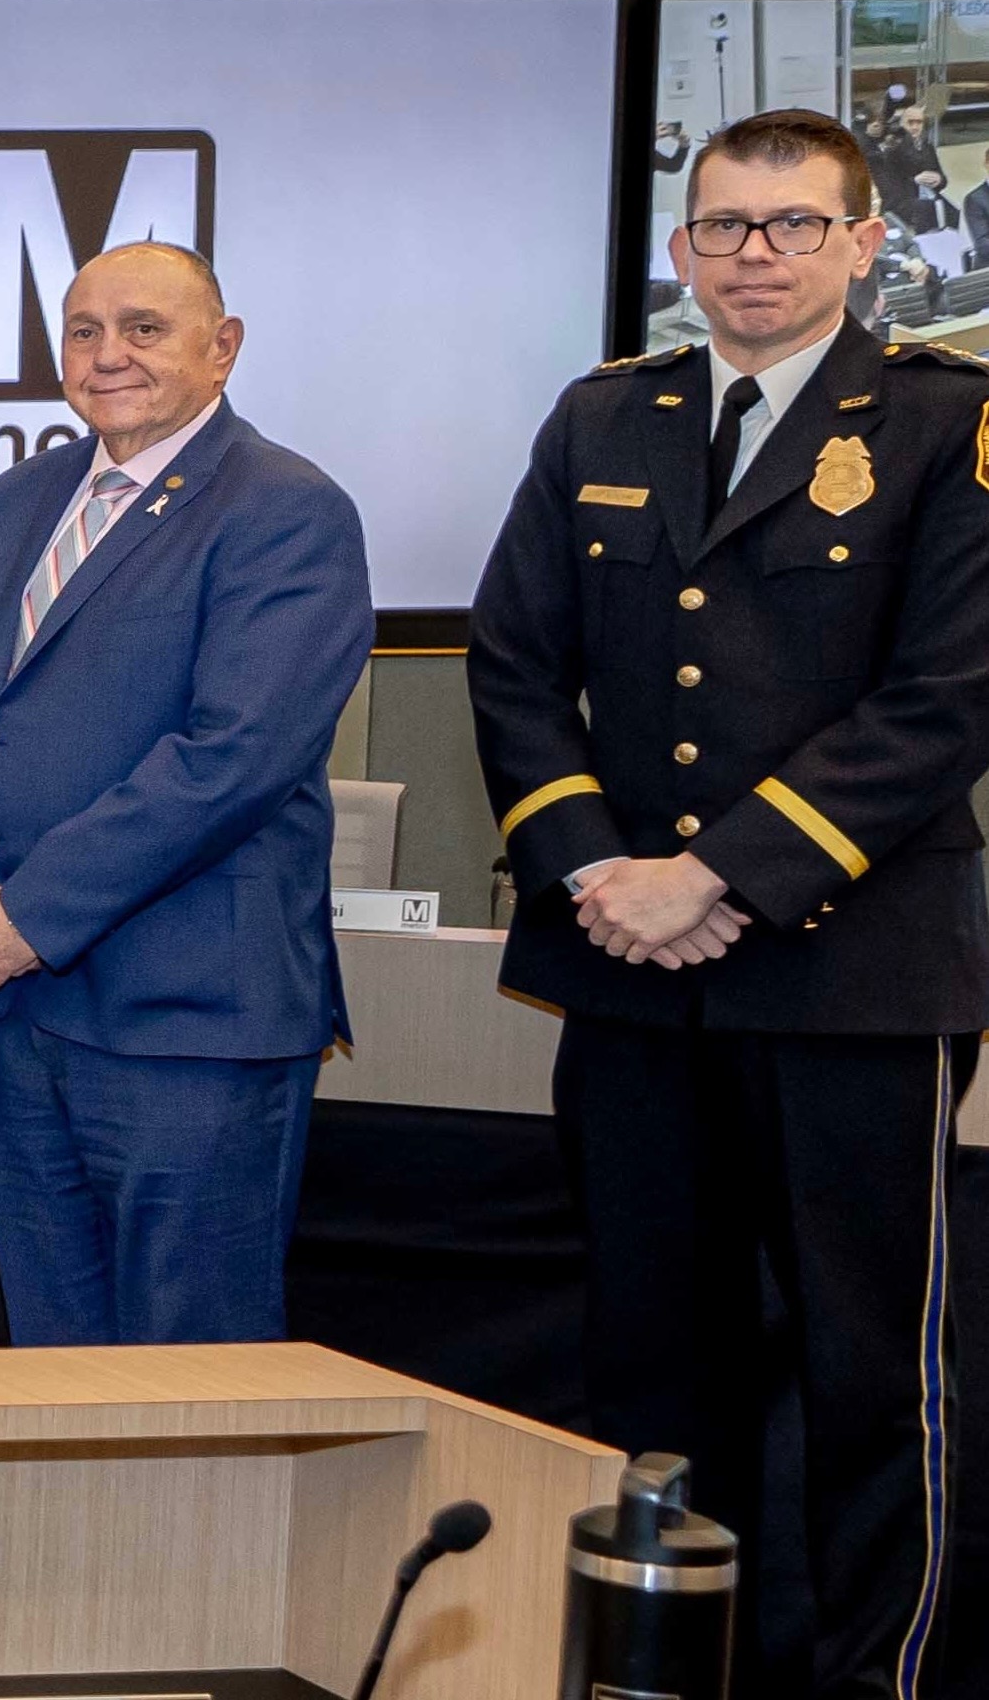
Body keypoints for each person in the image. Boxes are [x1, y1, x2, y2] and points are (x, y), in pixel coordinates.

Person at [472, 106, 989, 1700]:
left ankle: (873, 1683)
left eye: (786, 226)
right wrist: (591, 874)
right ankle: (658, 1673)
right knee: (644, 1367)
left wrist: (716, 873)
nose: (747, 255)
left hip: (850, 983)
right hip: (631, 983)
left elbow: (943, 695)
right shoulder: (601, 416)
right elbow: (511, 665)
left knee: (864, 1379)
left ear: (859, 243)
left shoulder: (940, 424)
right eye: (718, 227)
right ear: (679, 247)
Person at [0, 242, 369, 1348]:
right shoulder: (14, 501)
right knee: (51, 1360)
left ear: (222, 346)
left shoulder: (286, 508)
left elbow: (232, 755)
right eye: (82, 330)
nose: (108, 355)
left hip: (189, 1019)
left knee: (188, 1364)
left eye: (143, 328)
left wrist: (28, 914)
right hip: (17, 1008)